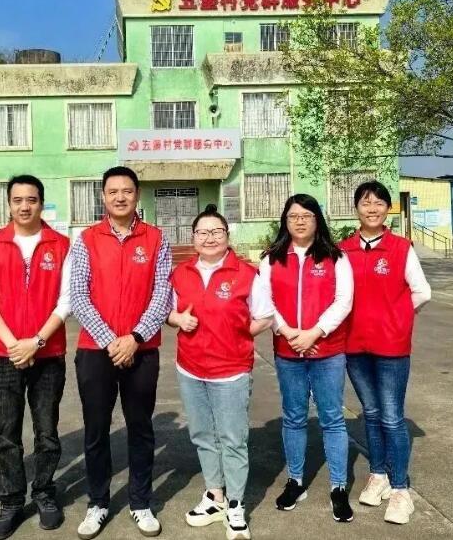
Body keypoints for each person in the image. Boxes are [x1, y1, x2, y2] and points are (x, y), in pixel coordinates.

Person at [70, 166, 172, 539]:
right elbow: (78, 294)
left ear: (137, 195)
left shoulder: (156, 239)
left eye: (126, 191)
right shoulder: (86, 239)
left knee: (140, 428)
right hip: (96, 351)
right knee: (96, 430)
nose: (120, 197)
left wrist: (135, 337)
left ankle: (141, 502)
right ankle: (97, 503)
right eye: (112, 191)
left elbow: (162, 293)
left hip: (142, 350)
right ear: (103, 196)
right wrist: (112, 340)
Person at [168, 204, 274, 540]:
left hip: (230, 370)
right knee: (202, 435)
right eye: (203, 232)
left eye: (217, 232)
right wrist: (178, 319)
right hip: (191, 368)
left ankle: (236, 504)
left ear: (228, 236)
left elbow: (265, 316)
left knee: (232, 439)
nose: (210, 238)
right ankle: (215, 496)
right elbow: (166, 310)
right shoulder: (181, 273)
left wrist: (237, 334)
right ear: (193, 238)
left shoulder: (246, 274)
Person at [0, 174, 71, 539]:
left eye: (31, 199)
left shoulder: (61, 245)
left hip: (48, 354)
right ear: (9, 204)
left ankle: (44, 492)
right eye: (18, 200)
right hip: (4, 355)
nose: (25, 206)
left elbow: (66, 300)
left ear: (41, 203)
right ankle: (12, 500)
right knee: (7, 435)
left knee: (46, 432)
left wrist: (36, 342)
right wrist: (15, 343)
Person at [338, 180, 431, 525]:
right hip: (355, 346)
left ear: (388, 209)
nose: (372, 209)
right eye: (366, 203)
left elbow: (422, 291)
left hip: (391, 347)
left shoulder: (401, 248)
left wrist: (398, 317)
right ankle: (378, 474)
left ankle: (400, 489)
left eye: (379, 203)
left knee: (392, 417)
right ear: (356, 209)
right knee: (371, 412)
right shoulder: (343, 250)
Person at [257, 194, 354, 522]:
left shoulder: (336, 257)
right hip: (288, 352)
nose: (299, 221)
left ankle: (338, 486)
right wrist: (288, 332)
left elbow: (343, 301)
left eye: (306, 216)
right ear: (285, 221)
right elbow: (265, 302)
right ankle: (296, 481)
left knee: (332, 418)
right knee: (294, 416)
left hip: (327, 351)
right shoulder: (271, 259)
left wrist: (315, 332)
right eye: (293, 216)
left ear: (317, 220)